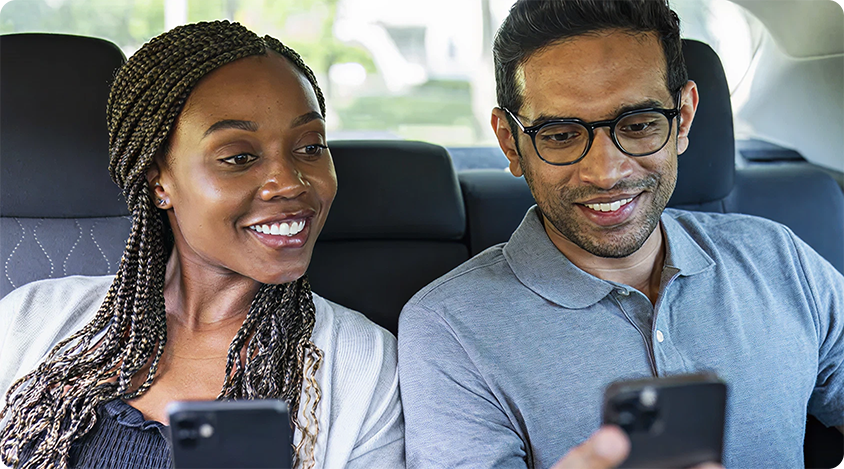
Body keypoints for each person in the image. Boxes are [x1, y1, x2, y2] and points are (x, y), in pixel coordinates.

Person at [398, 0, 844, 468]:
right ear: (511, 143)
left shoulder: (779, 258)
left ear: (684, 117)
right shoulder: (450, 326)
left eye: (637, 126)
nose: (607, 173)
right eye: (560, 134)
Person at [0, 21, 402, 469]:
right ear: (159, 181)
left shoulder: (362, 365)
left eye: (310, 147)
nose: (290, 183)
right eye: (238, 158)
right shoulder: (28, 321)